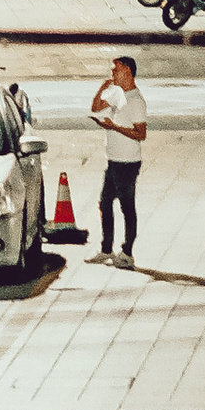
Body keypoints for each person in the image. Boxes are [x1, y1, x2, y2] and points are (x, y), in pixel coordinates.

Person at [89, 50, 147, 265]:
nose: (112, 73)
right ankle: (107, 249)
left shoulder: (136, 101)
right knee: (105, 204)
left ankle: (127, 253)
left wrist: (114, 127)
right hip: (113, 160)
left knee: (126, 207)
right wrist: (102, 88)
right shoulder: (117, 94)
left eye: (116, 70)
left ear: (128, 71)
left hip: (128, 163)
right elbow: (96, 107)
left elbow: (140, 134)